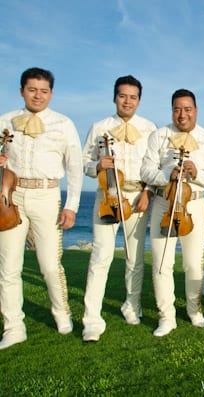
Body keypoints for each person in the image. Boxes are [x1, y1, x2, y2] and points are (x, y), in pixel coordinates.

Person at [0, 67, 83, 349]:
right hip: (11, 196)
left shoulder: (63, 123)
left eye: (43, 91)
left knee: (49, 265)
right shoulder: (5, 121)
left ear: (51, 93)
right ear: (22, 90)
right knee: (9, 267)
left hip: (47, 196)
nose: (38, 95)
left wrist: (71, 206)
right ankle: (14, 327)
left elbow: (74, 168)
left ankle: (62, 314)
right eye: (32, 89)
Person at [80, 75, 157, 342]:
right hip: (108, 196)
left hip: (137, 198)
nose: (128, 101)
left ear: (139, 100)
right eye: (123, 95)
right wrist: (97, 166)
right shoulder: (99, 126)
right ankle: (91, 318)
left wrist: (148, 192)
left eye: (133, 97)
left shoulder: (149, 128)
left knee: (135, 259)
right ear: (115, 97)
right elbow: (84, 163)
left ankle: (131, 305)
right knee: (100, 257)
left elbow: (154, 165)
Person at [141, 89, 204, 337]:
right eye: (177, 109)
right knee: (162, 263)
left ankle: (194, 310)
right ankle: (166, 317)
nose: (182, 114)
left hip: (194, 204)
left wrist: (197, 173)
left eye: (187, 109)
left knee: (193, 264)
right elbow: (145, 171)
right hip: (165, 204)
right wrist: (168, 175)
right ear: (172, 111)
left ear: (196, 111)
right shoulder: (159, 135)